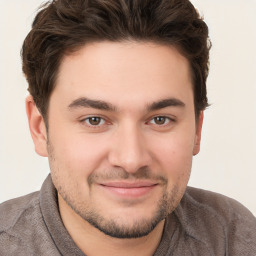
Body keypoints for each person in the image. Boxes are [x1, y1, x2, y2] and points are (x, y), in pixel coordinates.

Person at [0, 0, 255, 255]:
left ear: (197, 130)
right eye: (95, 120)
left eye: (160, 119)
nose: (131, 160)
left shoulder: (236, 238)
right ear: (39, 127)